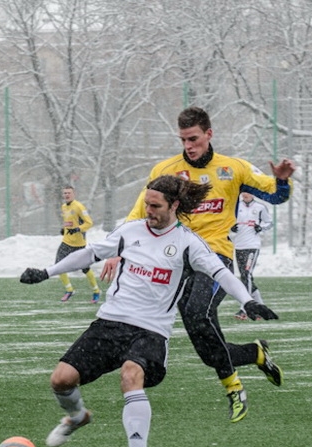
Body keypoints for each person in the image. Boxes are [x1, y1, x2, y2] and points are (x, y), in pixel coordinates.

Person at [20, 176, 278, 447]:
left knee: (131, 376)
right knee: (60, 380)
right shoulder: (130, 231)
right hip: (110, 323)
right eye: (146, 204)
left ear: (174, 205)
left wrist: (248, 301)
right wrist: (46, 272)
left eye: (156, 206)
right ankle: (77, 417)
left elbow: (220, 272)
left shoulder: (187, 243)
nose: (149, 211)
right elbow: (90, 254)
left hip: (150, 330)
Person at [101, 106, 295, 423]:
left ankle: (234, 389)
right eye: (183, 140)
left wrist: (282, 181)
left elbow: (274, 195)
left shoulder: (234, 169)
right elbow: (141, 211)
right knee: (208, 350)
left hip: (214, 256)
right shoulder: (167, 171)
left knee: (197, 312)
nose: (189, 146)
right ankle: (255, 353)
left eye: (194, 139)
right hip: (177, 262)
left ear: (209, 134)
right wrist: (118, 248)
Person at [230, 192, 273, 319]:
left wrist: (260, 227)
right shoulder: (236, 207)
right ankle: (261, 307)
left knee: (246, 274)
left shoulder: (260, 207)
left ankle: (244, 308)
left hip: (252, 246)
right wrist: (231, 227)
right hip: (239, 246)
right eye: (243, 193)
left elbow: (269, 222)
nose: (245, 195)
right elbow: (228, 220)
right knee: (246, 277)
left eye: (248, 192)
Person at [57, 185, 101, 303]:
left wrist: (78, 229)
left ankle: (96, 291)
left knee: (85, 269)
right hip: (66, 242)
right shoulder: (64, 207)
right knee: (58, 266)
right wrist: (64, 229)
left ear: (73, 194)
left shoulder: (79, 207)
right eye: (65, 193)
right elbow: (69, 222)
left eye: (69, 193)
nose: (66, 195)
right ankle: (69, 290)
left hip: (78, 244)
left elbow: (89, 223)